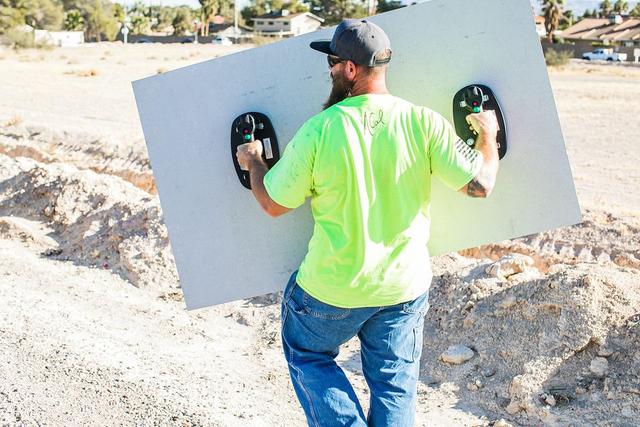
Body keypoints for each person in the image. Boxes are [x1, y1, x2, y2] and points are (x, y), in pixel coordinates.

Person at [236, 19, 499, 427]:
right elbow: (481, 184)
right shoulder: (423, 122)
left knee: (308, 354)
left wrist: (253, 162)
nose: (330, 68)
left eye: (334, 61)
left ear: (352, 71)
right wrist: (489, 135)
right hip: (402, 289)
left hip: (332, 291)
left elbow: (272, 204)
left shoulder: (320, 130)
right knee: (394, 385)